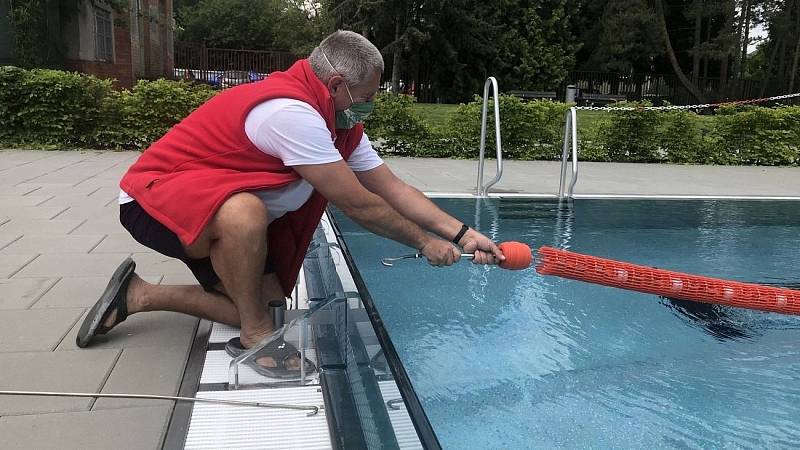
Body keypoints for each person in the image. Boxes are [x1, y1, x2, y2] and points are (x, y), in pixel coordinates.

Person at [76, 30, 504, 378]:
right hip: (153, 203)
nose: (369, 107)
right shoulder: (290, 113)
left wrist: (462, 234)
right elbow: (359, 204)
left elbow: (390, 188)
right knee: (246, 215)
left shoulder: (338, 122)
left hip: (208, 213)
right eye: (367, 96)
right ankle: (256, 339)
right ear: (336, 86)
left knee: (269, 307)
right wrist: (424, 242)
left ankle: (138, 296)